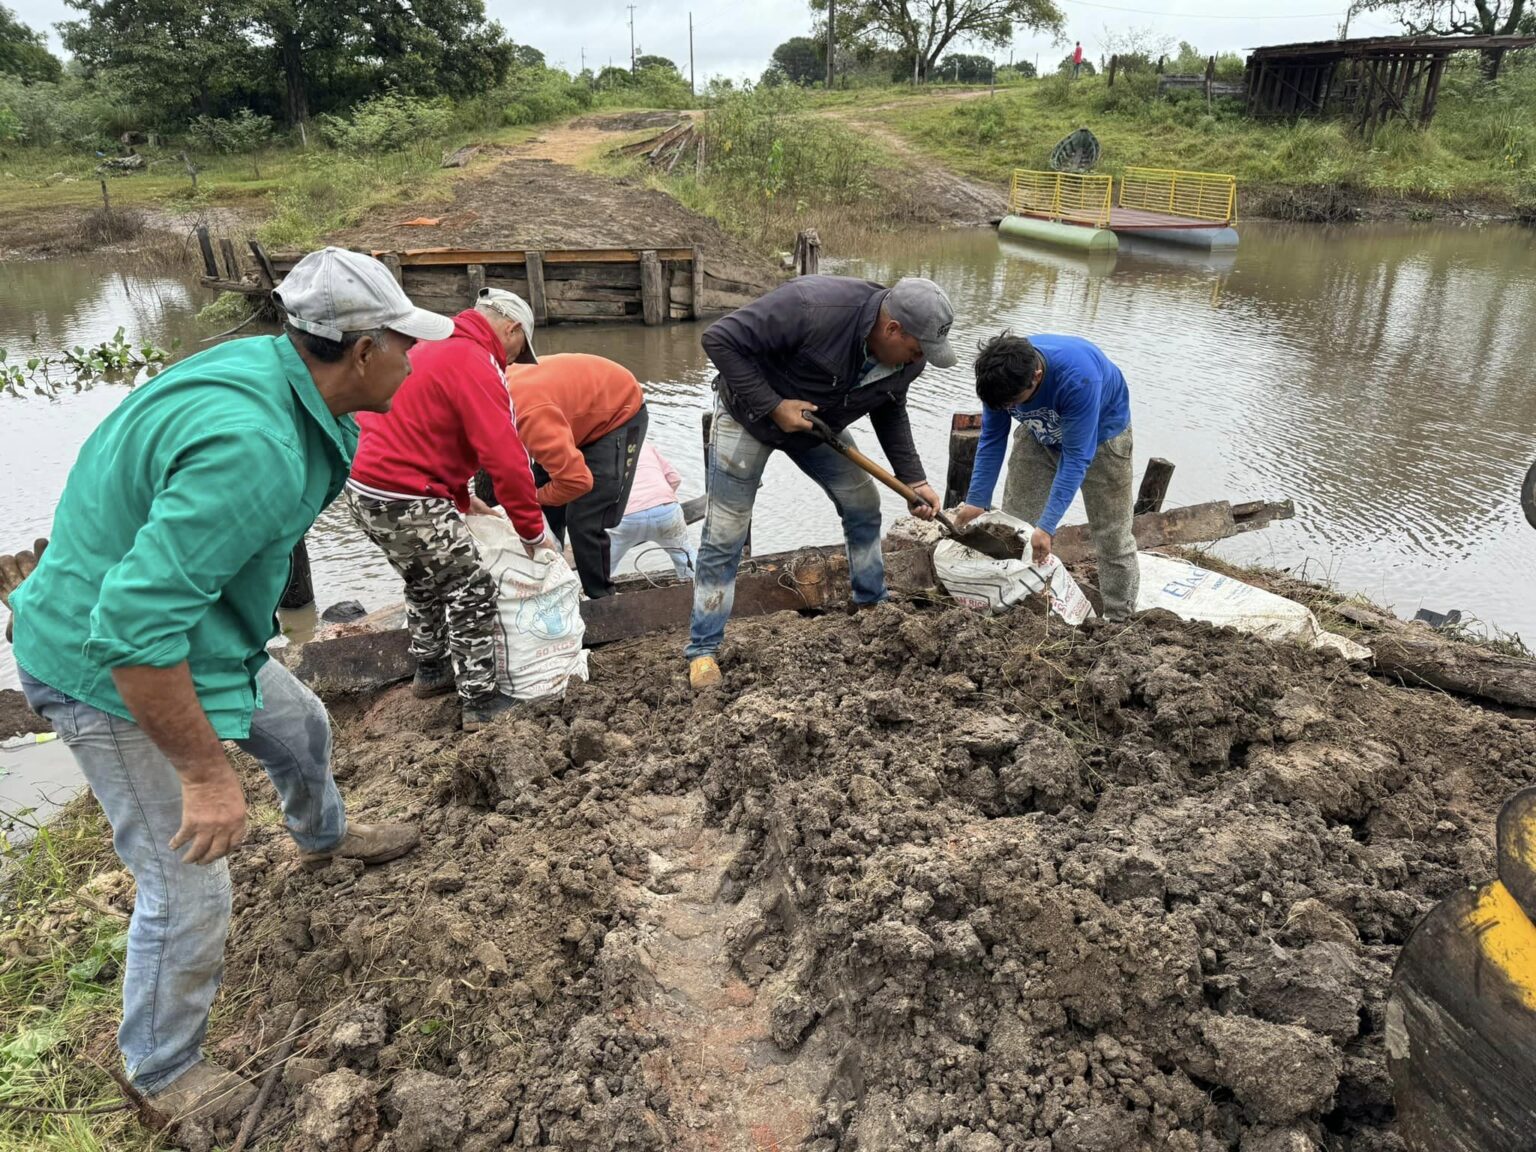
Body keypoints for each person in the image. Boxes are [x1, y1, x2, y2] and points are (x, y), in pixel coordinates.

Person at [0, 247, 440, 1123]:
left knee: (301, 726)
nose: (414, 358)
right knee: (189, 878)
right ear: (361, 350)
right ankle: (162, 1071)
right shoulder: (254, 446)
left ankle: (322, 839)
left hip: (195, 639)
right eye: (405, 343)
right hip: (109, 669)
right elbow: (132, 633)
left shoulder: (277, 376)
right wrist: (205, 775)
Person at [685, 275, 952, 690]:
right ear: (892, 329)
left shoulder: (909, 360)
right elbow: (719, 339)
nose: (918, 360)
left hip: (818, 427)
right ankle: (703, 649)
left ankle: (871, 604)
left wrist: (913, 477)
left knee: (864, 504)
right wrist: (773, 406)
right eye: (917, 349)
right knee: (726, 532)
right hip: (749, 417)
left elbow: (890, 406)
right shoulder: (812, 307)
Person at [346, 287, 550, 732]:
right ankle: (480, 700)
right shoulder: (476, 360)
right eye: (519, 350)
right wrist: (533, 534)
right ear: (512, 329)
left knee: (422, 575)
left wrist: (458, 495)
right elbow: (507, 459)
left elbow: (424, 429)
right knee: (471, 586)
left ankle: (431, 668)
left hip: (363, 487)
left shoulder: (426, 342)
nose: (513, 361)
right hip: (406, 494)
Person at [952, 331, 1139, 620]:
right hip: (1039, 433)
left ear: (1037, 376)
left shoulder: (1078, 378)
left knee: (1112, 535)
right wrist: (977, 500)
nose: (1009, 410)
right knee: (1014, 526)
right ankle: (1015, 610)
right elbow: (992, 437)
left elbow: (1076, 457)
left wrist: (1048, 526)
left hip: (1102, 437)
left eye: (1014, 403)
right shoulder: (999, 379)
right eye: (1004, 406)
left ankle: (1119, 620)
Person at [504, 352, 648, 599]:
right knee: (545, 505)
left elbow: (577, 482)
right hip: (567, 412)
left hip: (617, 411)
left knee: (584, 517)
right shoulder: (490, 401)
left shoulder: (530, 419)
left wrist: (533, 497)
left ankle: (601, 598)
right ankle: (552, 580)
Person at [609, 442, 696, 582]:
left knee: (604, 563)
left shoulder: (602, 448)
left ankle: (599, 592)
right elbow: (674, 478)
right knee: (684, 555)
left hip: (626, 517)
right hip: (667, 511)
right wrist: (659, 501)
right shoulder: (643, 443)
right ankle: (696, 588)